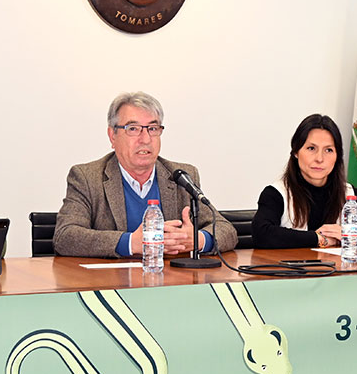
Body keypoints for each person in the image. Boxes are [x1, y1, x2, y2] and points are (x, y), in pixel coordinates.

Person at [53, 91, 236, 258]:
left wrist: (198, 240)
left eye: (152, 129)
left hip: (171, 284)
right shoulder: (87, 177)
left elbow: (226, 230)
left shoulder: (181, 176)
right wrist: (131, 243)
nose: (146, 139)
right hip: (112, 284)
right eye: (133, 129)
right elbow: (65, 236)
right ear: (112, 135)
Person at [252, 114, 357, 248]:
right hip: (291, 275)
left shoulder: (347, 193)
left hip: (337, 275)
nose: (320, 158)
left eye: (328, 150)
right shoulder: (277, 193)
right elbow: (262, 234)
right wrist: (319, 239)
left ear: (337, 156)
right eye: (311, 148)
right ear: (296, 152)